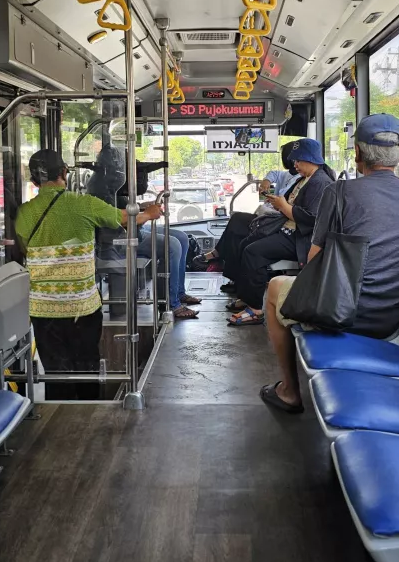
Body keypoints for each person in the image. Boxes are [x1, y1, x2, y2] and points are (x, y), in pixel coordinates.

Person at [259, 114, 399, 413]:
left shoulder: (340, 192)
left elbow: (314, 262)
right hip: (394, 314)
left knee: (274, 289)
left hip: (341, 313)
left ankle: (289, 390)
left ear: (358, 153)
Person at [15, 149, 163, 399]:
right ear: (64, 173)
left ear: (34, 182)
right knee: (86, 363)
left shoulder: (24, 213)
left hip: (42, 308)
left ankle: (59, 416)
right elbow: (125, 218)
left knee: (54, 368)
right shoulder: (83, 204)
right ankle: (88, 411)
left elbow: (23, 248)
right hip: (80, 306)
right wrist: (150, 213)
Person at [87, 118, 200, 319]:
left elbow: (120, 207)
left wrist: (142, 206)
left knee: (182, 237)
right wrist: (147, 215)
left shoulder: (109, 182)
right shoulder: (100, 186)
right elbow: (115, 219)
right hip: (116, 240)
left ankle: (178, 293)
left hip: (129, 231)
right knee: (172, 245)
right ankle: (170, 305)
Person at [228, 138, 336, 326]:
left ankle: (256, 309)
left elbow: (312, 219)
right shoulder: (305, 179)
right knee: (245, 243)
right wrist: (278, 203)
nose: (295, 165)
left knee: (253, 252)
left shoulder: (320, 182)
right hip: (286, 228)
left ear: (309, 159)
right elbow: (288, 203)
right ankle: (247, 296)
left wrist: (284, 207)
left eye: (298, 161)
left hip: (300, 238)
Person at [193, 141, 299, 293]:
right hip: (271, 217)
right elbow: (274, 174)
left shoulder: (303, 181)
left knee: (238, 224)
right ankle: (235, 279)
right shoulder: (289, 175)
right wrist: (266, 181)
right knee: (236, 232)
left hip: (279, 222)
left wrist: (278, 204)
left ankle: (218, 255)